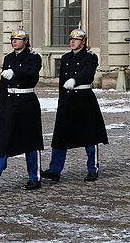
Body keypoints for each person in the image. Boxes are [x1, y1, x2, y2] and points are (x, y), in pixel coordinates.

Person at [0, 24, 43, 191]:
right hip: (10, 102)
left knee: (30, 141)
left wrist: (15, 72)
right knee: (2, 140)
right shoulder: (8, 58)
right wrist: (0, 111)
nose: (14, 41)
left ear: (26, 41)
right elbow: (2, 89)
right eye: (13, 39)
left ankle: (34, 178)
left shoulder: (34, 57)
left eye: (18, 39)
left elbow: (31, 70)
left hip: (27, 102)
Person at [42, 23, 108, 182]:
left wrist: (75, 80)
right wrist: (62, 99)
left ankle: (93, 168)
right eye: (71, 39)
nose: (72, 41)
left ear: (83, 42)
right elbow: (62, 82)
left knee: (90, 135)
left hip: (84, 99)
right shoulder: (65, 57)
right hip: (68, 99)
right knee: (60, 135)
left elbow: (88, 73)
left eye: (76, 39)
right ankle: (55, 169)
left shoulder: (90, 56)